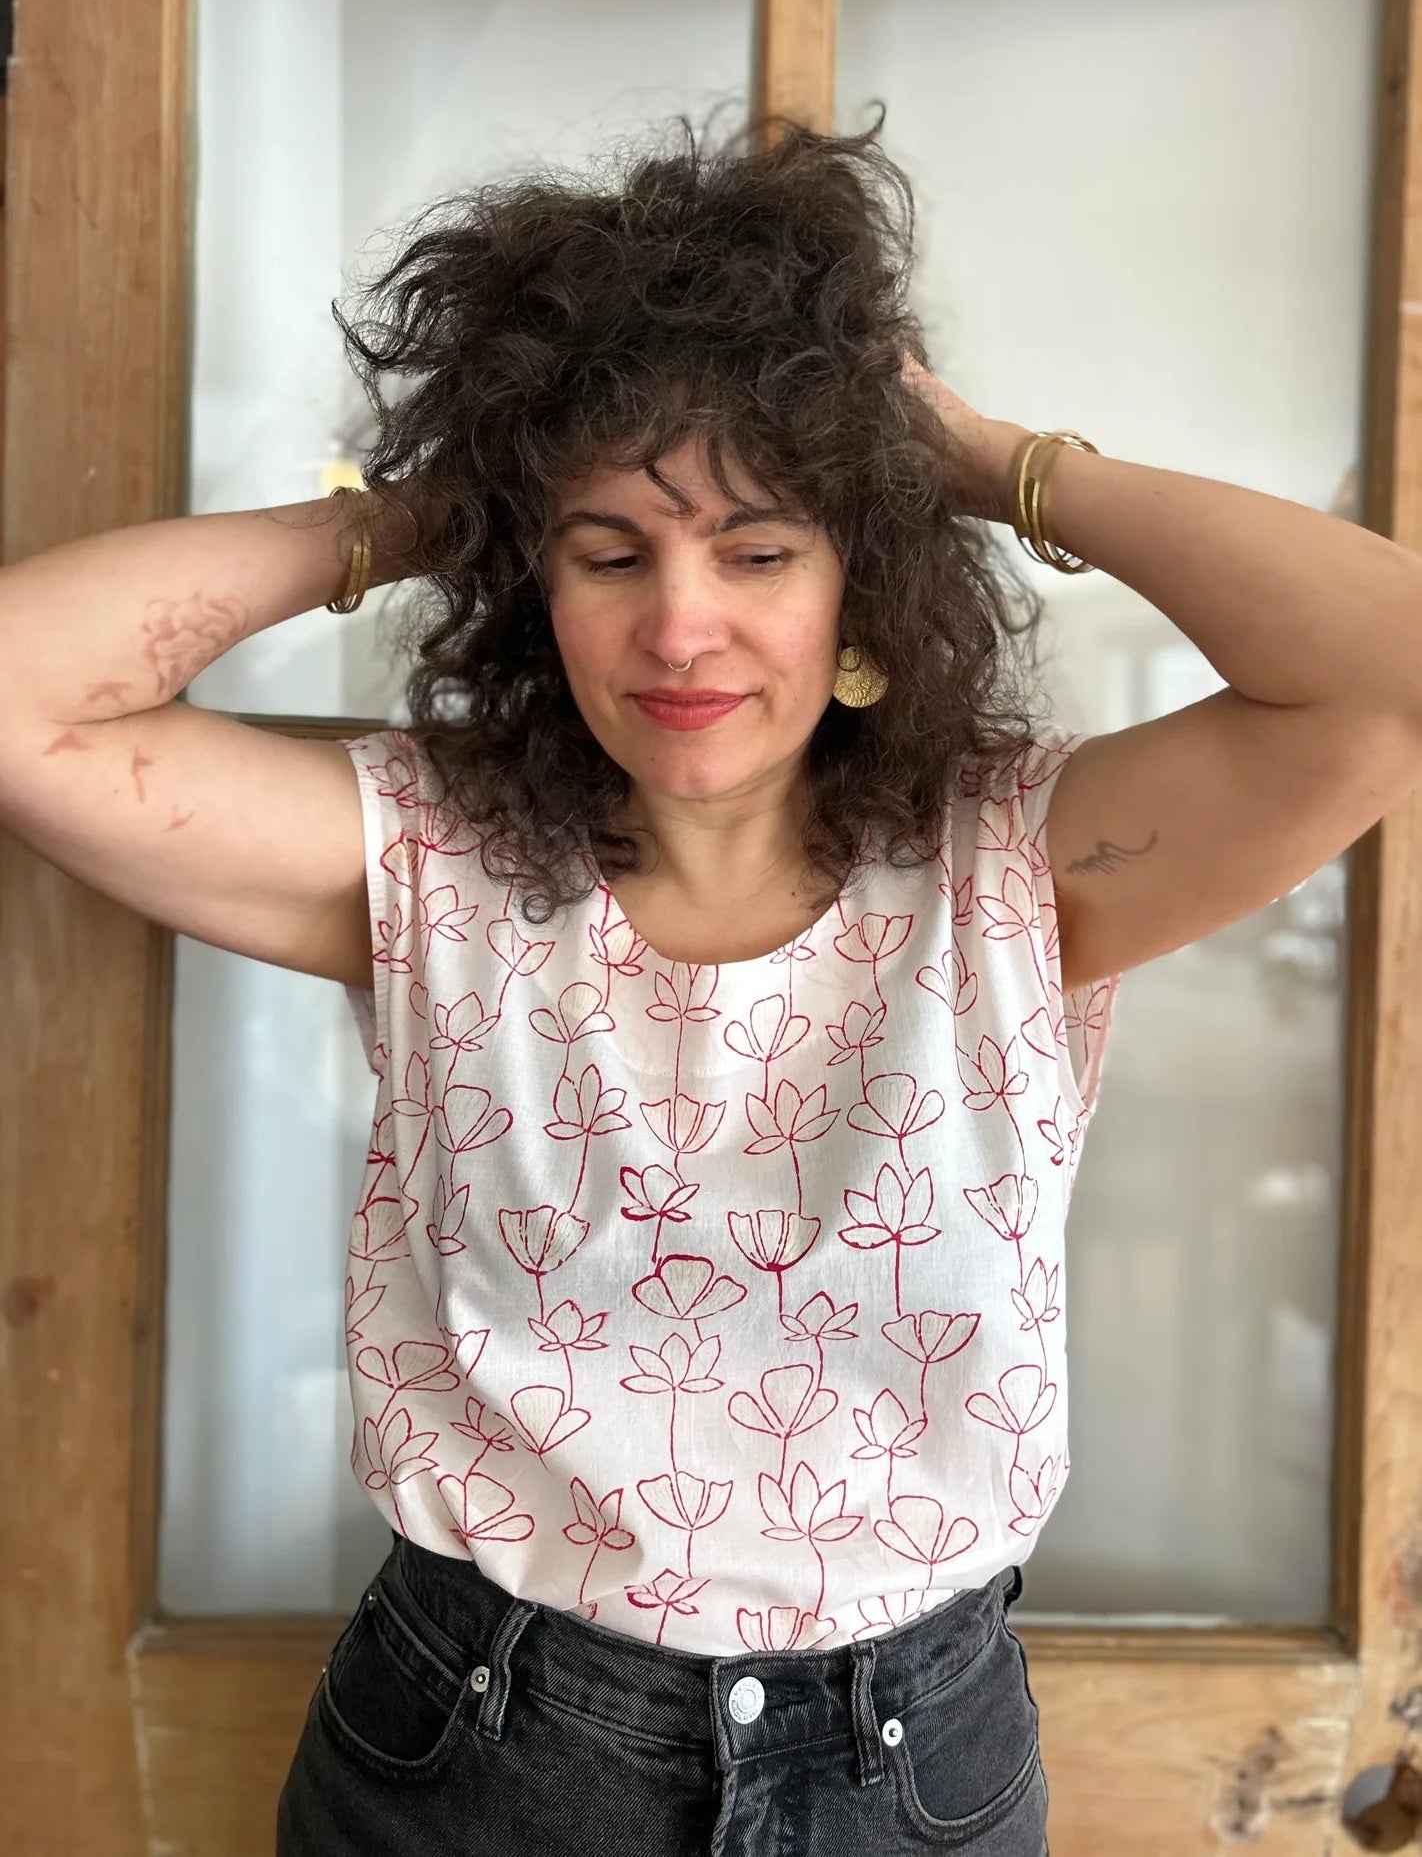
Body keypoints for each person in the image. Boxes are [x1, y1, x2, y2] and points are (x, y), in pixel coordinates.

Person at [5, 110, 1421, 1856]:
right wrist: (429, 506)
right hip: (481, 1745)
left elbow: (1392, 665)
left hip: (915, 1761)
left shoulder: (1019, 864)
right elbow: (22, 699)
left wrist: (986, 463)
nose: (681, 627)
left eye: (757, 549)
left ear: (861, 581)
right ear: (536, 586)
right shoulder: (424, 857)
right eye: (610, 552)